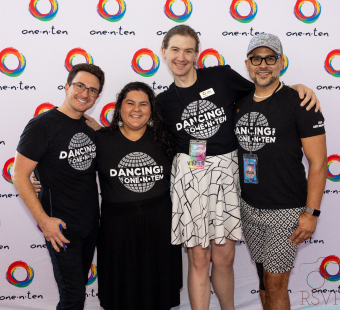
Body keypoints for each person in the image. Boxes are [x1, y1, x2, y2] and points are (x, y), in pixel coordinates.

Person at [156, 25, 321, 310]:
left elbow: (265, 90)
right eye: (175, 50)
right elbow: (140, 134)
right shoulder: (162, 103)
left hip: (228, 175)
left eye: (188, 50)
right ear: (164, 53)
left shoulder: (221, 77)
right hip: (191, 179)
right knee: (198, 259)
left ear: (197, 54)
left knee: (225, 258)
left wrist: (296, 89)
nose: (181, 57)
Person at [234, 33, 327, 310]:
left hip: (286, 212)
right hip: (248, 208)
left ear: (281, 62)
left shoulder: (300, 102)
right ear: (248, 64)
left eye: (270, 58)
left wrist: (311, 213)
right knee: (264, 280)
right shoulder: (239, 102)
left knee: (275, 285)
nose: (263, 64)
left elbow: (319, 164)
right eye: (256, 58)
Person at [12, 63, 105, 310]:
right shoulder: (42, 125)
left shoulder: (91, 127)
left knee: (78, 293)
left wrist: (103, 131)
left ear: (97, 96)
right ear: (66, 87)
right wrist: (45, 222)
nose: (85, 94)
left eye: (92, 90)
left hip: (90, 224)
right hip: (61, 228)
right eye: (80, 86)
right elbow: (19, 175)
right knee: (72, 299)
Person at [85, 81, 182, 310]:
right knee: (121, 292)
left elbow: (196, 163)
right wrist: (40, 181)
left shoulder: (166, 139)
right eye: (130, 103)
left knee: (159, 290)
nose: (136, 109)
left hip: (160, 225)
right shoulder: (101, 139)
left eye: (143, 104)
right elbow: (71, 170)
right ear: (119, 107)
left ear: (151, 109)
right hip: (116, 229)